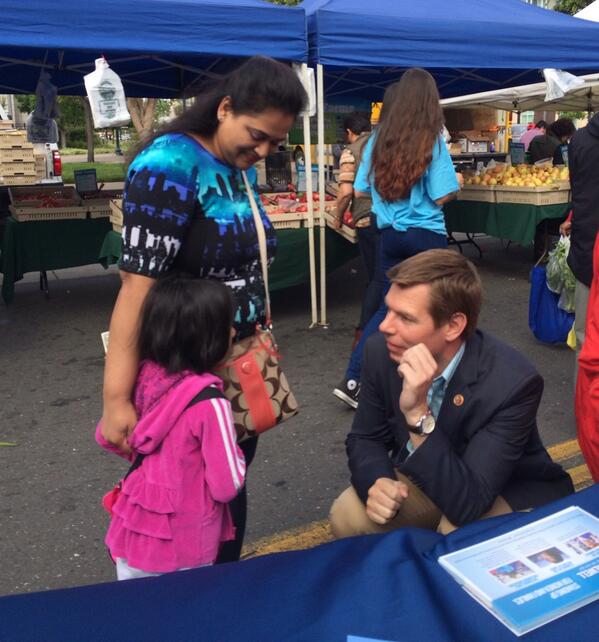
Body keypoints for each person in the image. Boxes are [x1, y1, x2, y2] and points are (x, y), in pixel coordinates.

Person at [100, 55, 307, 562]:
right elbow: (136, 287)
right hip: (185, 381)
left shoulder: (233, 165)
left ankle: (217, 590)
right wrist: (116, 399)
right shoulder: (169, 164)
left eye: (276, 142)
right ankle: (191, 597)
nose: (263, 151)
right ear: (225, 108)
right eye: (257, 135)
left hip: (233, 367)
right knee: (194, 507)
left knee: (227, 493)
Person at [329, 249, 574, 538]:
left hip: (502, 487)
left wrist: (417, 414)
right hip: (428, 473)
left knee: (456, 531)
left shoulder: (512, 382)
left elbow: (468, 502)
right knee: (349, 513)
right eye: (388, 310)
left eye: (405, 317)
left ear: (453, 326)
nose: (384, 326)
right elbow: (365, 436)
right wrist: (378, 481)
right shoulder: (381, 351)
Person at [96, 275, 246, 580]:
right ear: (206, 339)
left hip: (134, 535)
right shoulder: (210, 403)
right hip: (186, 544)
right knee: (186, 608)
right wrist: (239, 458)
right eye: (226, 326)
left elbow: (112, 436)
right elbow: (226, 484)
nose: (233, 332)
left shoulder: (143, 380)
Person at [333, 69, 462, 409]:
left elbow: (360, 190)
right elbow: (442, 194)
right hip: (426, 236)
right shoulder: (431, 140)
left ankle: (354, 379)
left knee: (388, 309)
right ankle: (430, 381)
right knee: (436, 309)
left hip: (389, 235)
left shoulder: (377, 139)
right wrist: (457, 183)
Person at [332, 112, 381, 348]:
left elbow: (345, 193)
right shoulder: (383, 144)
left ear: (349, 132)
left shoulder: (351, 152)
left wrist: (338, 216)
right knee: (389, 274)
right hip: (392, 218)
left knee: (375, 277)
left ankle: (364, 331)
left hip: (366, 219)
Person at [566, 112, 599, 360]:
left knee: (586, 337)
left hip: (586, 245)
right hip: (587, 243)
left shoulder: (579, 140)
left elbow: (577, 188)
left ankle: (585, 386)